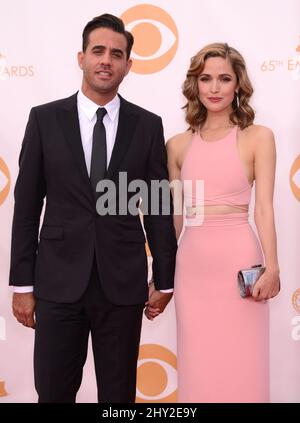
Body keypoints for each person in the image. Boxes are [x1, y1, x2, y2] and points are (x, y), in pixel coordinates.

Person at [9, 13, 177, 403]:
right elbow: (27, 207)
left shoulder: (148, 126)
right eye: (98, 51)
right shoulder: (44, 120)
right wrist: (23, 283)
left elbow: (155, 207)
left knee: (118, 398)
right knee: (53, 392)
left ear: (129, 66)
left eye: (116, 54)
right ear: (80, 57)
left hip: (122, 286)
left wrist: (165, 278)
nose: (106, 60)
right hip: (56, 284)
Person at [166, 43, 280, 402]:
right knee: (198, 362)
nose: (214, 88)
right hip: (192, 267)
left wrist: (272, 267)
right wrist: (161, 269)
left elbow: (263, 208)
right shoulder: (177, 145)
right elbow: (176, 216)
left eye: (224, 79)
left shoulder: (258, 137)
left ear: (238, 85)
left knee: (243, 362)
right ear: (195, 85)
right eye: (206, 79)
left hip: (238, 263)